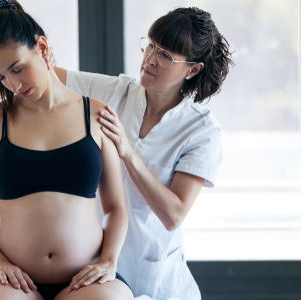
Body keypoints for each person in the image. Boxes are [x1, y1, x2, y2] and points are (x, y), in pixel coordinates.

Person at [0, 1, 135, 300]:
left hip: (84, 277)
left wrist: (109, 261)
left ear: (42, 47)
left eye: (17, 68)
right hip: (10, 279)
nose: (12, 84)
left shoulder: (97, 115)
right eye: (0, 77)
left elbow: (116, 208)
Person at [48, 7, 234, 300]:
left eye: (165, 56)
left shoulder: (201, 131)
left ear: (192, 69)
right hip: (97, 271)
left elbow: (173, 214)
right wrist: (34, 47)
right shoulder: (117, 91)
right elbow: (47, 77)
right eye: (150, 45)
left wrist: (126, 151)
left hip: (157, 282)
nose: (149, 59)